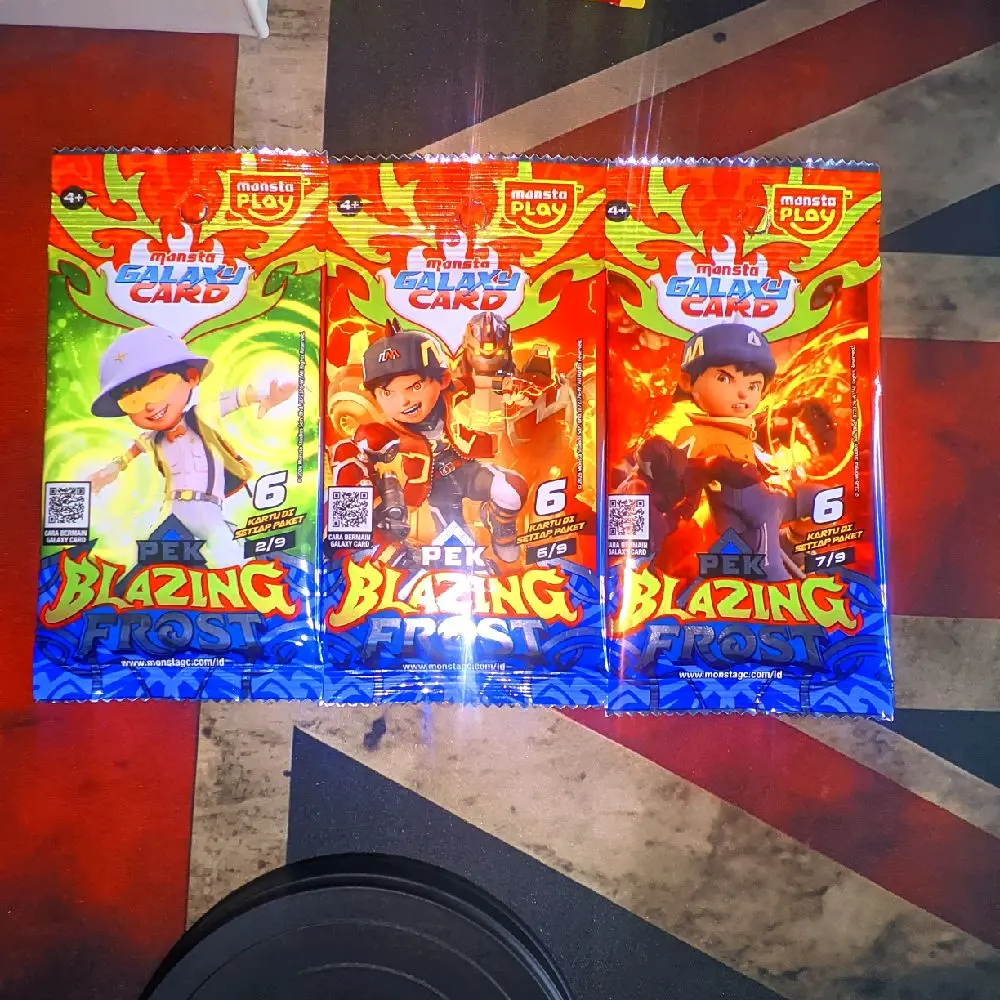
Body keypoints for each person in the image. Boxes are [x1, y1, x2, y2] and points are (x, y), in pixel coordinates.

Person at [624, 322, 820, 581]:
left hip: (757, 522)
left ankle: (792, 548)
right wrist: (708, 471)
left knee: (818, 500)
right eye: (724, 379)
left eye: (753, 385)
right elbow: (679, 483)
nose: (742, 393)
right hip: (719, 537)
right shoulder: (693, 434)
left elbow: (764, 470)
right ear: (687, 382)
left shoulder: (749, 436)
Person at [87, 325, 295, 566]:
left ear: (192, 377)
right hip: (171, 507)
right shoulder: (153, 438)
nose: (150, 406)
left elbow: (234, 399)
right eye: (133, 400)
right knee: (148, 557)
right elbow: (130, 453)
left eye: (159, 387)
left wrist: (266, 397)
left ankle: (245, 579)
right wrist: (108, 472)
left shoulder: (201, 416)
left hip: (205, 506)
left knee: (227, 554)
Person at [329, 319, 527, 562]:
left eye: (414, 386)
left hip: (466, 469)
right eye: (387, 392)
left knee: (513, 490)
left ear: (441, 380)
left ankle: (499, 523)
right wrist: (353, 524)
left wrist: (509, 386)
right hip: (435, 488)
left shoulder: (448, 396)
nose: (403, 401)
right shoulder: (384, 431)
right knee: (459, 547)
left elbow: (473, 382)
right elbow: (347, 451)